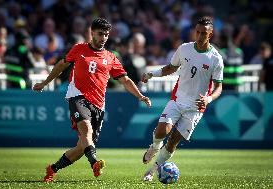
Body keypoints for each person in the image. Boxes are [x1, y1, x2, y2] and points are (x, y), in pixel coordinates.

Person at [32, 18, 151, 182]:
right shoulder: (79, 49)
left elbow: (125, 80)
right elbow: (61, 65)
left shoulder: (110, 57)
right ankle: (95, 162)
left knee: (81, 147)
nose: (103, 38)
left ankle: (53, 168)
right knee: (86, 131)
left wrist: (140, 95)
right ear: (92, 33)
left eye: (106, 35)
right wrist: (45, 82)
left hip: (98, 104)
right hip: (77, 96)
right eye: (100, 34)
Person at [141, 17, 224, 182]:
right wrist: (152, 74)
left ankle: (151, 171)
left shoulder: (216, 58)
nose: (200, 36)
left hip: (195, 108)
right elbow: (171, 68)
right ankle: (154, 147)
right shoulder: (184, 49)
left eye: (204, 33)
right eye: (198, 32)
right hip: (177, 100)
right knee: (161, 131)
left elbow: (219, 87)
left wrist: (209, 99)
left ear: (211, 34)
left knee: (172, 143)